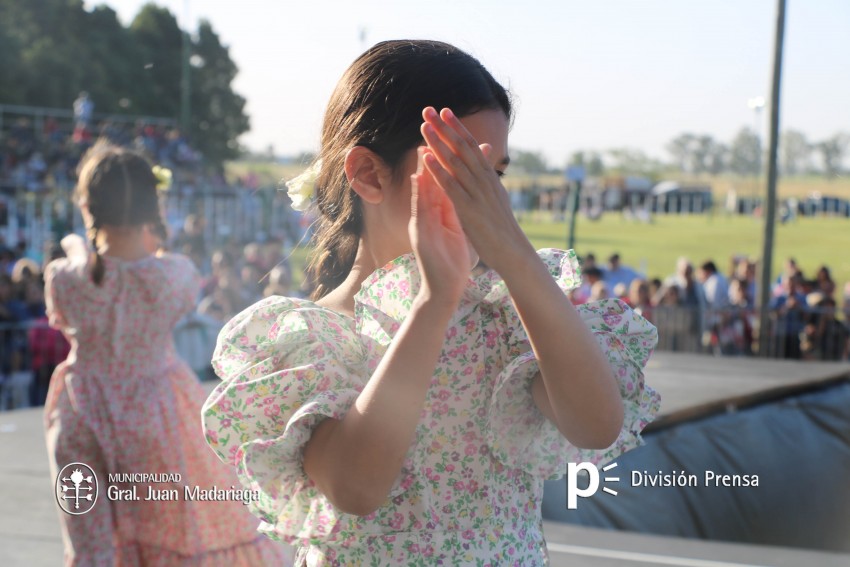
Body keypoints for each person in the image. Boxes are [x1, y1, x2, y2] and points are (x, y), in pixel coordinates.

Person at [203, 40, 659, 566]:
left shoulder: (507, 319)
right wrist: (433, 301)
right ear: (370, 174)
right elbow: (356, 486)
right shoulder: (309, 338)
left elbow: (597, 424)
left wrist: (515, 256)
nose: (484, 199)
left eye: (494, 176)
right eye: (456, 171)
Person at [43, 142, 290, 565]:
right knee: (175, 535)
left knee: (90, 542)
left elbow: (89, 270)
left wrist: (80, 247)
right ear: (150, 207)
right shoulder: (175, 276)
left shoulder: (65, 278)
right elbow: (143, 267)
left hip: (82, 414)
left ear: (87, 207)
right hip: (158, 412)